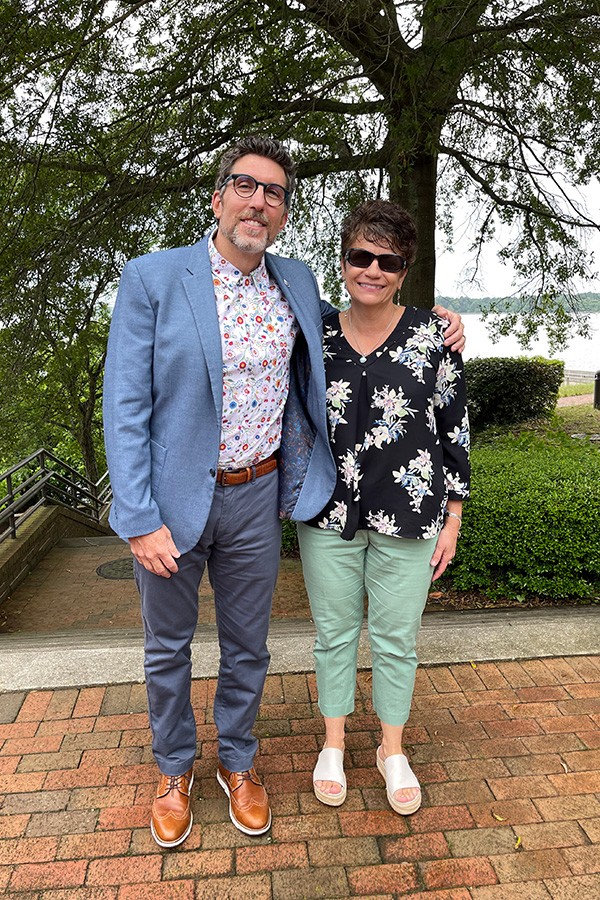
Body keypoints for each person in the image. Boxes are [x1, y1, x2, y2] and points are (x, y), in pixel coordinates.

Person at [103, 136, 465, 848]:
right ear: (218, 197)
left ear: (284, 215)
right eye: (245, 185)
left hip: (259, 498)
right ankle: (174, 771)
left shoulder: (295, 282)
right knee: (166, 647)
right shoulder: (154, 278)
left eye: (273, 193)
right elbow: (125, 406)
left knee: (248, 647)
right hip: (172, 504)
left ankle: (237, 764)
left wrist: (443, 323)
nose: (258, 202)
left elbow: (373, 318)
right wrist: (137, 516)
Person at [297, 199, 470, 816]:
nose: (371, 269)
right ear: (343, 260)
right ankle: (335, 744)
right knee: (334, 635)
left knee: (397, 639)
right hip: (329, 517)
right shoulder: (313, 335)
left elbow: (454, 429)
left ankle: (391, 749)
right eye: (359, 256)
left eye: (386, 260)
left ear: (404, 269)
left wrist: (453, 516)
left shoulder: (433, 335)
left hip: (413, 516)